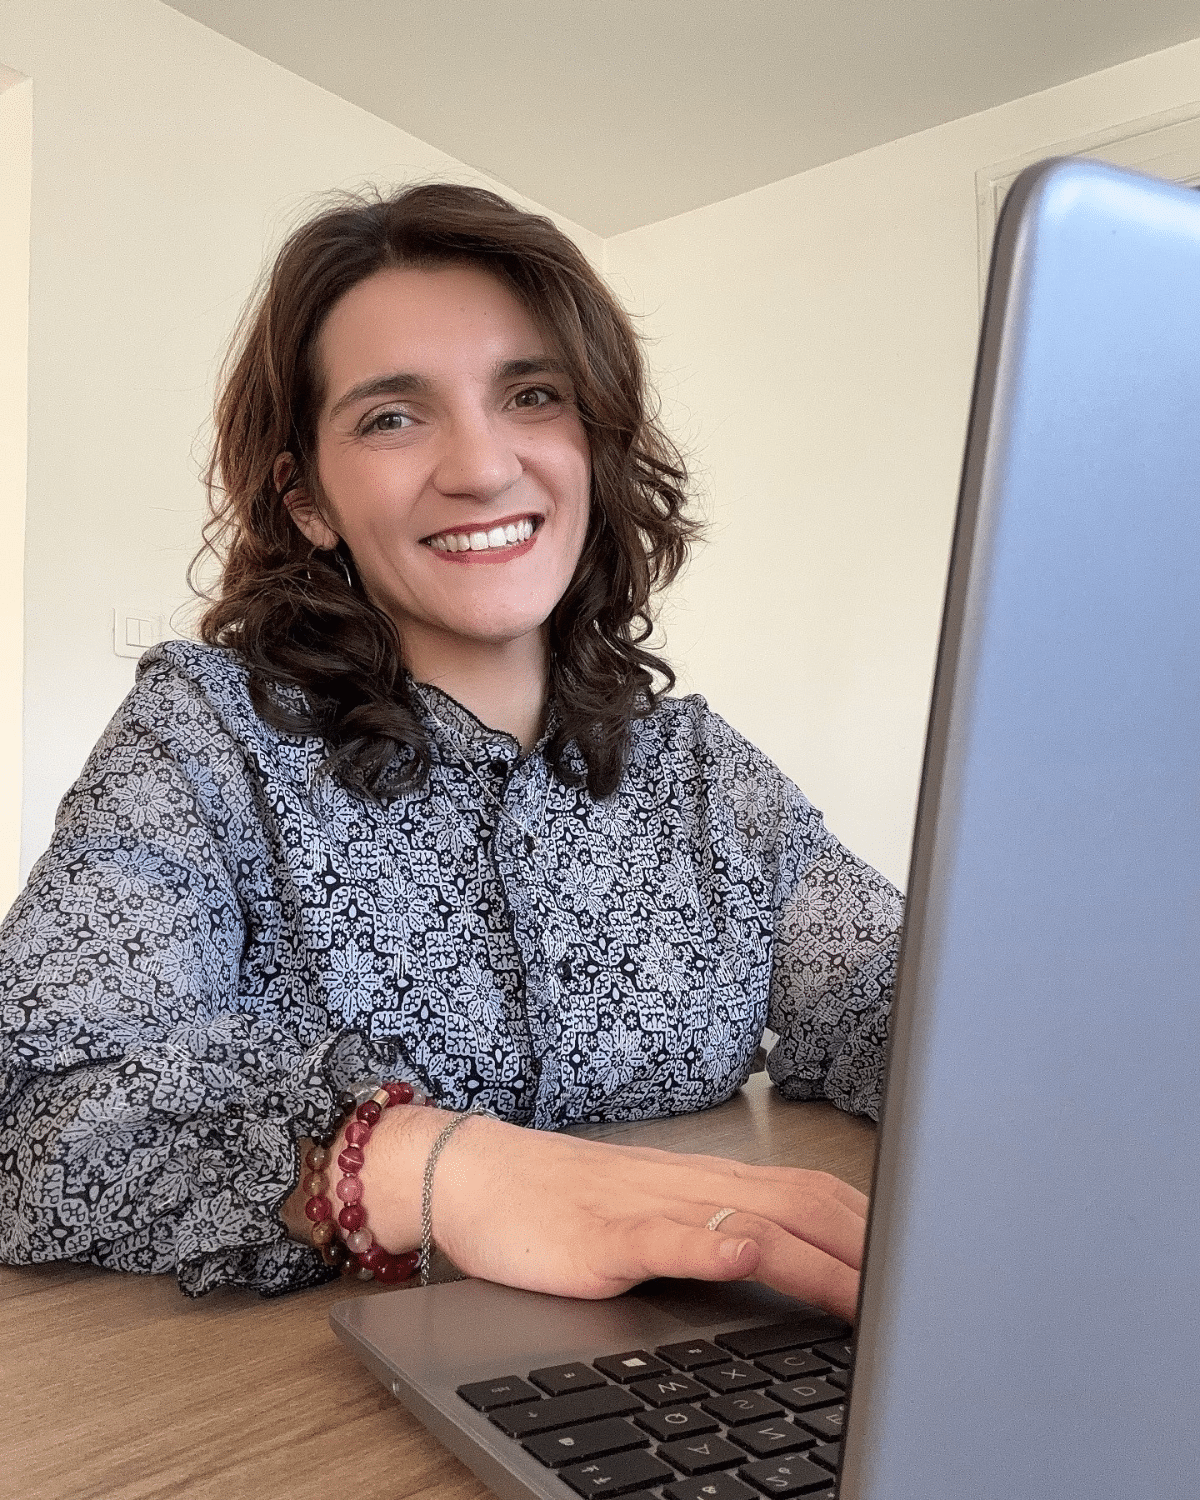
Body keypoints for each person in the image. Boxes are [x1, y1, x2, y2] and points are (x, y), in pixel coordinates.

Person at [0, 184, 902, 1320]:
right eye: (392, 416)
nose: (481, 467)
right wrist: (432, 1169)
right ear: (307, 498)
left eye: (533, 395)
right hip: (322, 1393)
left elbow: (902, 1005)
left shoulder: (704, 774)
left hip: (714, 1355)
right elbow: (35, 1108)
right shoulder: (204, 738)